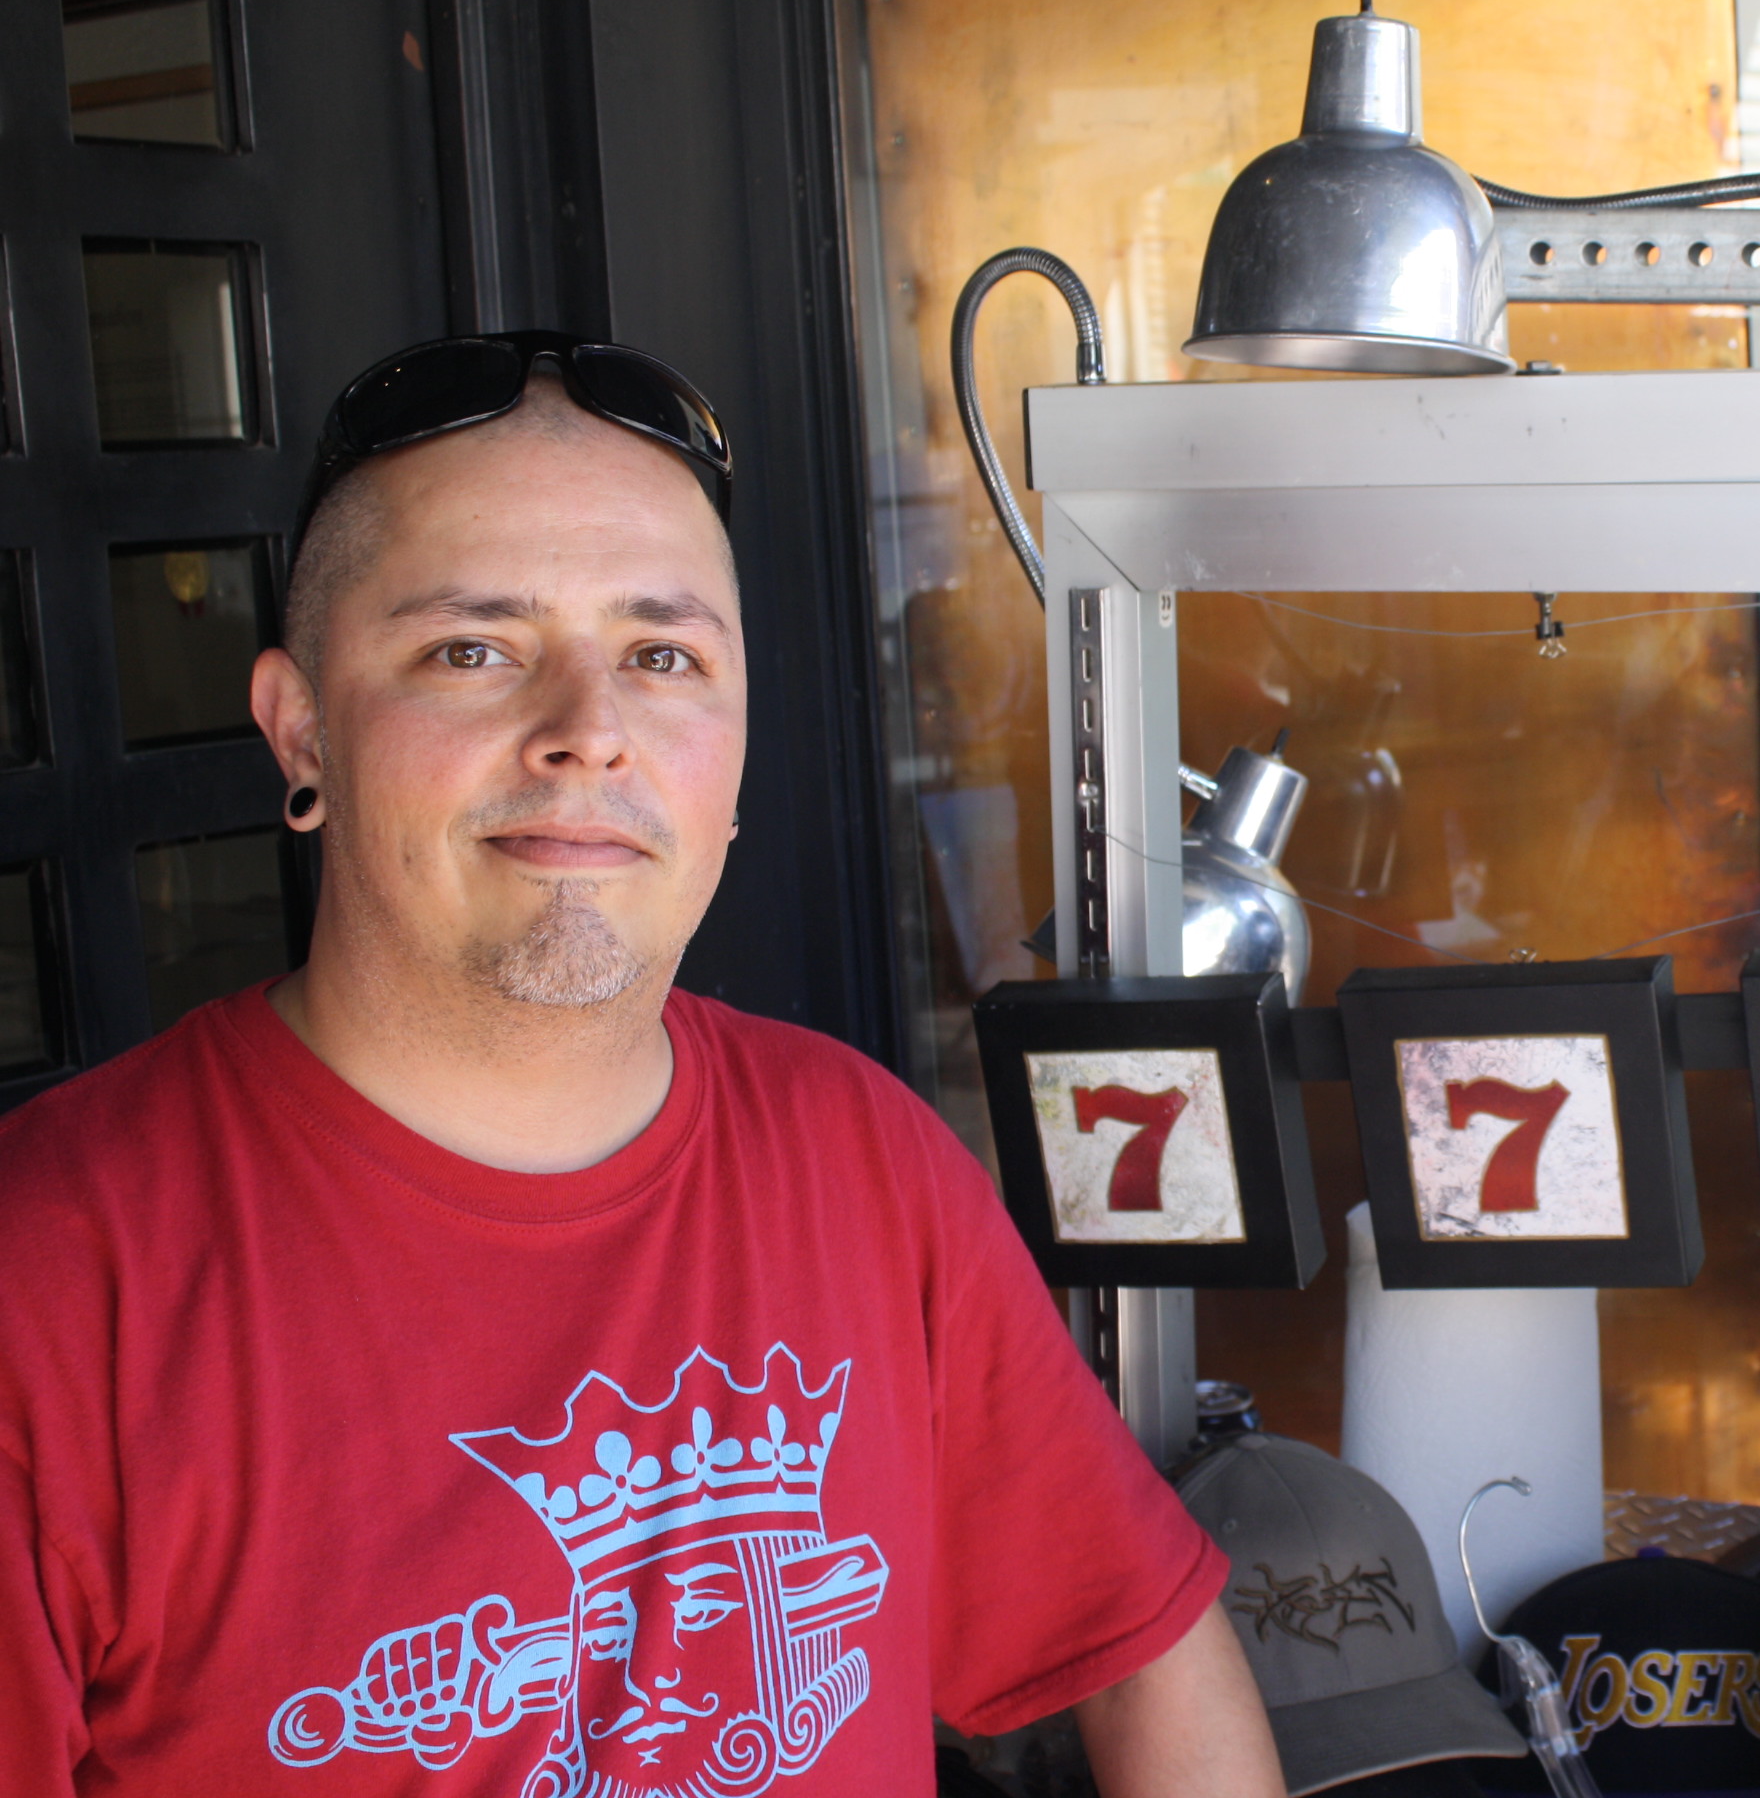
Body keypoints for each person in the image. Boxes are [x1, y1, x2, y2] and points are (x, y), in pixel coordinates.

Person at [0, 333, 1286, 1798]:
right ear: (301, 732)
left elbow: (1139, 1649)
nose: (588, 735)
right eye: (473, 650)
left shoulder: (861, 1159)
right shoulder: (51, 1279)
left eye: (661, 657)